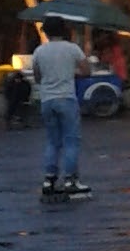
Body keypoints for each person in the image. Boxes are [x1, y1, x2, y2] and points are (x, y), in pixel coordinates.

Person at [30, 18, 89, 202]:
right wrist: (71, 73)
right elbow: (86, 70)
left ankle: (49, 179)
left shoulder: (39, 51)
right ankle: (71, 179)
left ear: (46, 32)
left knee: (52, 141)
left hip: (47, 100)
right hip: (67, 98)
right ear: (64, 31)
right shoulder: (72, 49)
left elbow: (38, 76)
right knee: (71, 140)